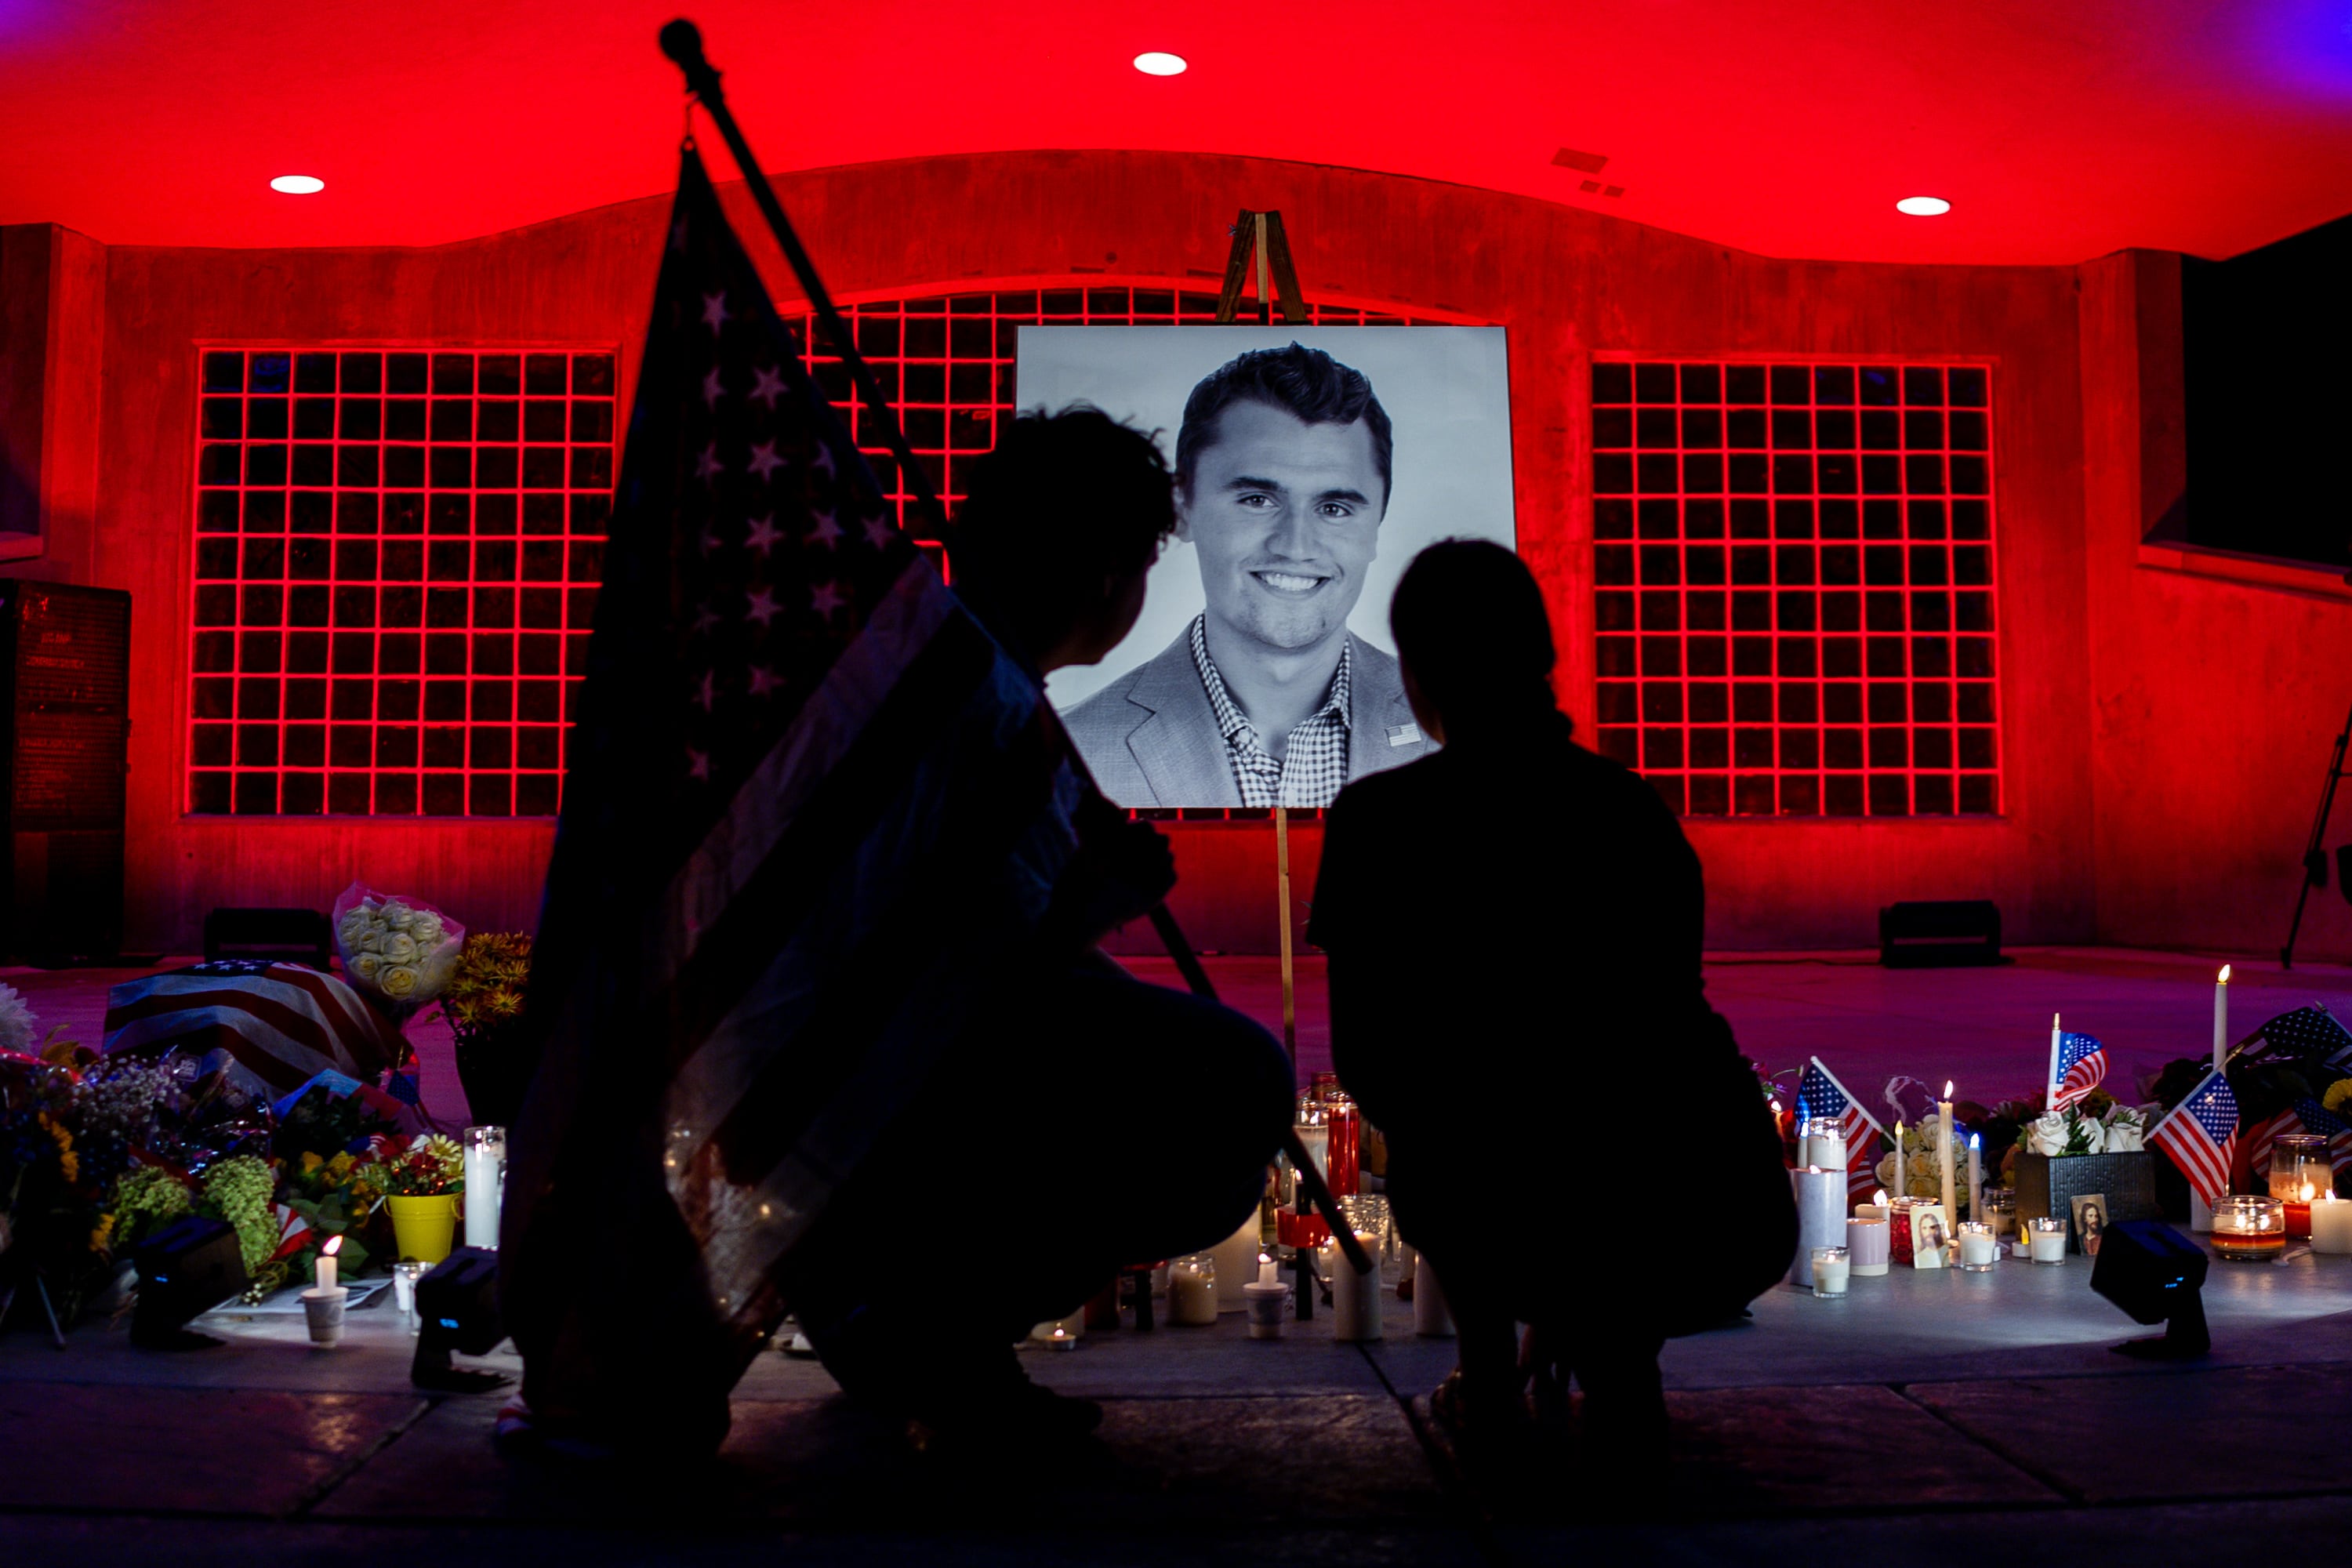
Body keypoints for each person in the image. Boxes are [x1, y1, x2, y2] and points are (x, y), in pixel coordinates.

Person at [785, 406, 1294, 1453]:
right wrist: (1093, 904)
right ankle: (937, 1329)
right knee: (1229, 1086)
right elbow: (963, 972)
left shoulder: (928, 665)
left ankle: (900, 1311)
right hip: (879, 1088)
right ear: (1112, 572)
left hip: (832, 1084)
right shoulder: (983, 701)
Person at [1308, 539, 1795, 1477]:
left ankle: (1491, 1366)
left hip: (1506, 1203)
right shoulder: (1631, 812)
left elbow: (1374, 1059)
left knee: (1451, 1112)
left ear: (1417, 673)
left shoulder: (1383, 823)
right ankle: (1615, 1359)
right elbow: (1655, 1041)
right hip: (1716, 1209)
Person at [1062, 343, 1432, 808]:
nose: (1295, 546)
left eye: (1334, 508)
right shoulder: (1067, 753)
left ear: (1376, 524)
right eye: (1257, 499)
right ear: (1182, 509)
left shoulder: (1466, 743)